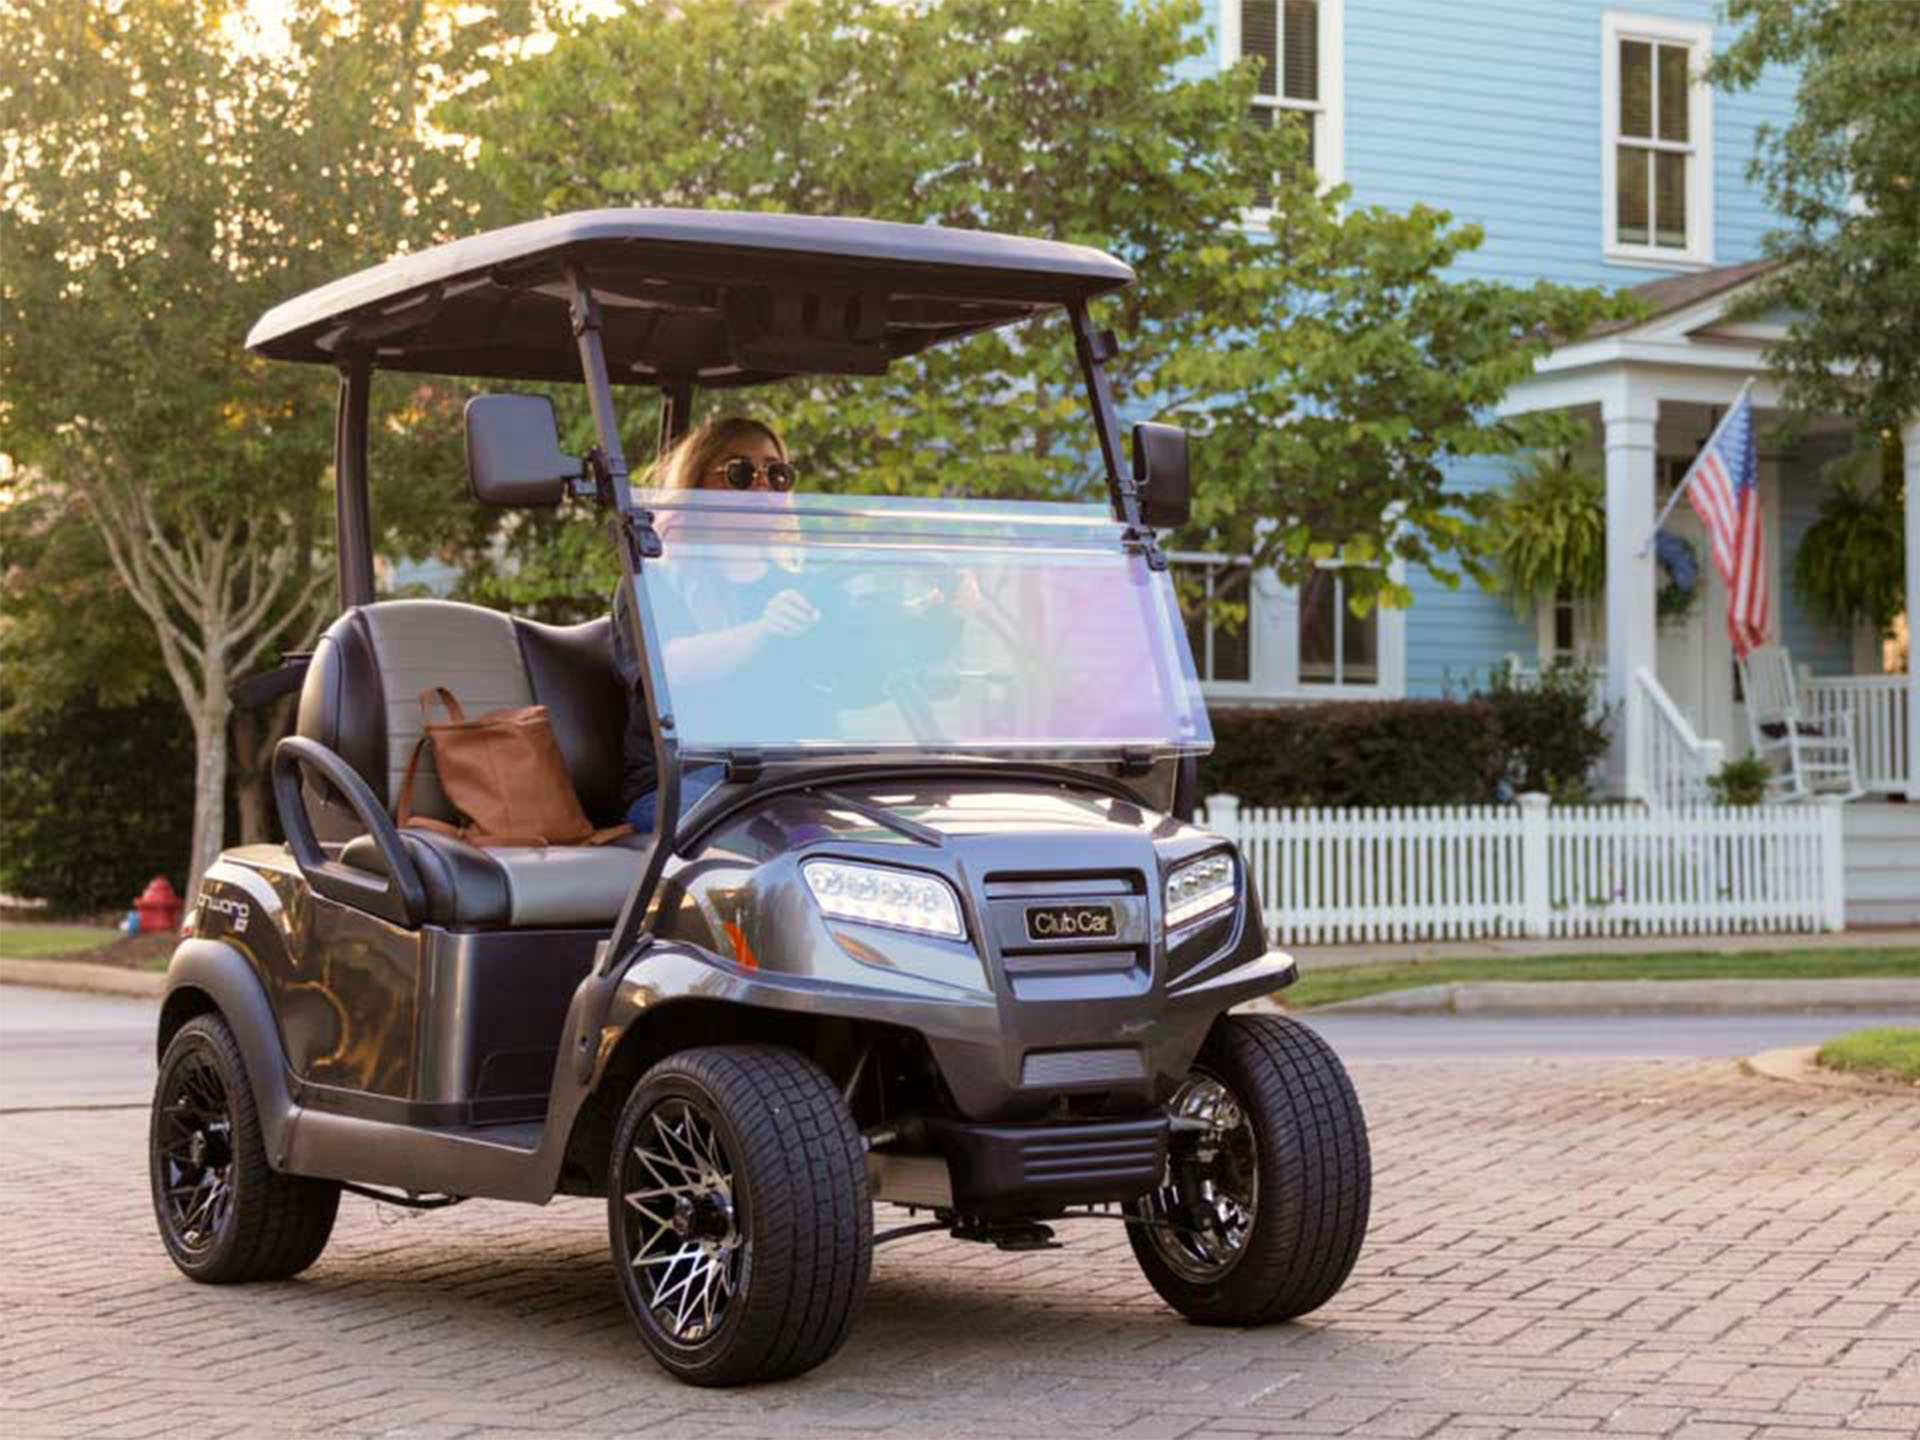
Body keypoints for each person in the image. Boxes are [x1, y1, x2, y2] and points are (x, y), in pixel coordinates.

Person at [611, 415, 819, 832]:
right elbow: (671, 671)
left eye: (777, 474)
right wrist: (761, 630)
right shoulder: (652, 578)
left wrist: (941, 616)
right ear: (695, 484)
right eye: (741, 473)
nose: (763, 485)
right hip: (679, 786)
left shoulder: (798, 584)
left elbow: (854, 672)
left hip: (782, 780)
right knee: (801, 840)